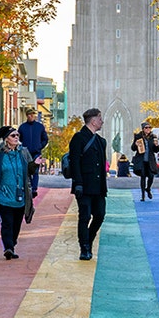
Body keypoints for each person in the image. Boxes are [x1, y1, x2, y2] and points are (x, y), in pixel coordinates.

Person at [0, 125, 38, 260]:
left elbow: (30, 171)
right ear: (6, 139)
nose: (17, 138)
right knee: (7, 223)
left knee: (17, 224)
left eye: (18, 135)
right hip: (3, 195)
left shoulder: (23, 152)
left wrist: (35, 164)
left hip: (20, 196)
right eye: (13, 135)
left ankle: (12, 243)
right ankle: (8, 248)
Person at [68, 107, 107, 261]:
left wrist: (104, 187)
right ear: (93, 120)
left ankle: (89, 240)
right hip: (83, 186)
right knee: (84, 217)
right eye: (100, 118)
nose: (101, 121)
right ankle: (84, 248)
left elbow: (102, 165)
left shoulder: (100, 141)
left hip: (98, 187)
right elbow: (75, 162)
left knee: (100, 215)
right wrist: (78, 183)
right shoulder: (79, 138)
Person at [17, 108, 49, 198]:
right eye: (29, 115)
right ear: (27, 116)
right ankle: (27, 186)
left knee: (35, 171)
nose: (31, 116)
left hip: (36, 152)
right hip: (25, 152)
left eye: (32, 115)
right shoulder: (22, 127)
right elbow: (19, 139)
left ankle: (34, 188)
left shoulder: (40, 127)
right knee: (26, 170)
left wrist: (39, 146)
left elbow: (45, 139)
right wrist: (22, 147)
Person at [131, 122, 159, 201]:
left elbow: (156, 150)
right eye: (146, 128)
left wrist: (157, 145)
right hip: (141, 160)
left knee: (151, 176)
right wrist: (135, 144)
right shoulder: (138, 136)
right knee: (143, 177)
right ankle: (143, 195)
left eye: (149, 128)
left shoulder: (153, 137)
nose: (148, 129)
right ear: (143, 129)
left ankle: (148, 189)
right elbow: (133, 148)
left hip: (150, 160)